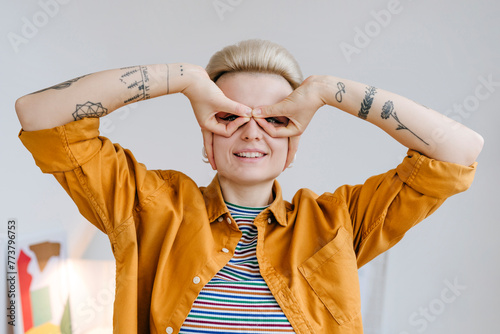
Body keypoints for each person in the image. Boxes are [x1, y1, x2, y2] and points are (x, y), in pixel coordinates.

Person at [16, 39, 483, 333]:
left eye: (276, 120)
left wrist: (326, 90)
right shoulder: (149, 208)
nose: (252, 132)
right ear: (206, 132)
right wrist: (179, 79)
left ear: (294, 143)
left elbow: (460, 150)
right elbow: (38, 114)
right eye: (229, 116)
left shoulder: (338, 224)